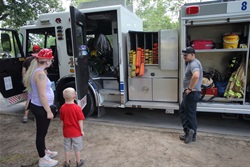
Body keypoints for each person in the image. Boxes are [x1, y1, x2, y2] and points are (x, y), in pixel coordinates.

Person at [23, 48, 58, 166]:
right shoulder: (40, 74)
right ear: (47, 61)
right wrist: (48, 111)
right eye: (51, 59)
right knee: (41, 133)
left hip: (38, 106)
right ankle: (43, 159)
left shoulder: (38, 71)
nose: (52, 62)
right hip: (41, 108)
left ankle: (44, 151)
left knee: (43, 132)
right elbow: (42, 95)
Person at [179, 46, 203, 144]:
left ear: (192, 54)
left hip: (191, 93)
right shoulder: (191, 63)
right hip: (191, 93)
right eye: (183, 55)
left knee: (190, 114)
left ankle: (191, 133)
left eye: (186, 55)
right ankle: (189, 132)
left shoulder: (194, 63)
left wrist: (190, 88)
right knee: (184, 111)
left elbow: (196, 75)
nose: (184, 56)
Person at [60, 87, 85, 167]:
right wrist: (82, 131)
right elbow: (80, 120)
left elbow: (62, 120)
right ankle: (78, 162)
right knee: (77, 148)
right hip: (76, 132)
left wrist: (63, 129)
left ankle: (67, 163)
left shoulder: (62, 108)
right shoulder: (77, 108)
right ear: (75, 96)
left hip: (67, 132)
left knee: (67, 148)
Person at [22, 44, 40, 123]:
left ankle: (25, 116)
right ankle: (37, 117)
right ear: (39, 50)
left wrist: (24, 81)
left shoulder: (27, 59)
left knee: (29, 98)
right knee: (39, 99)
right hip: (38, 81)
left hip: (29, 81)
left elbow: (23, 71)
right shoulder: (40, 59)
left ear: (32, 50)